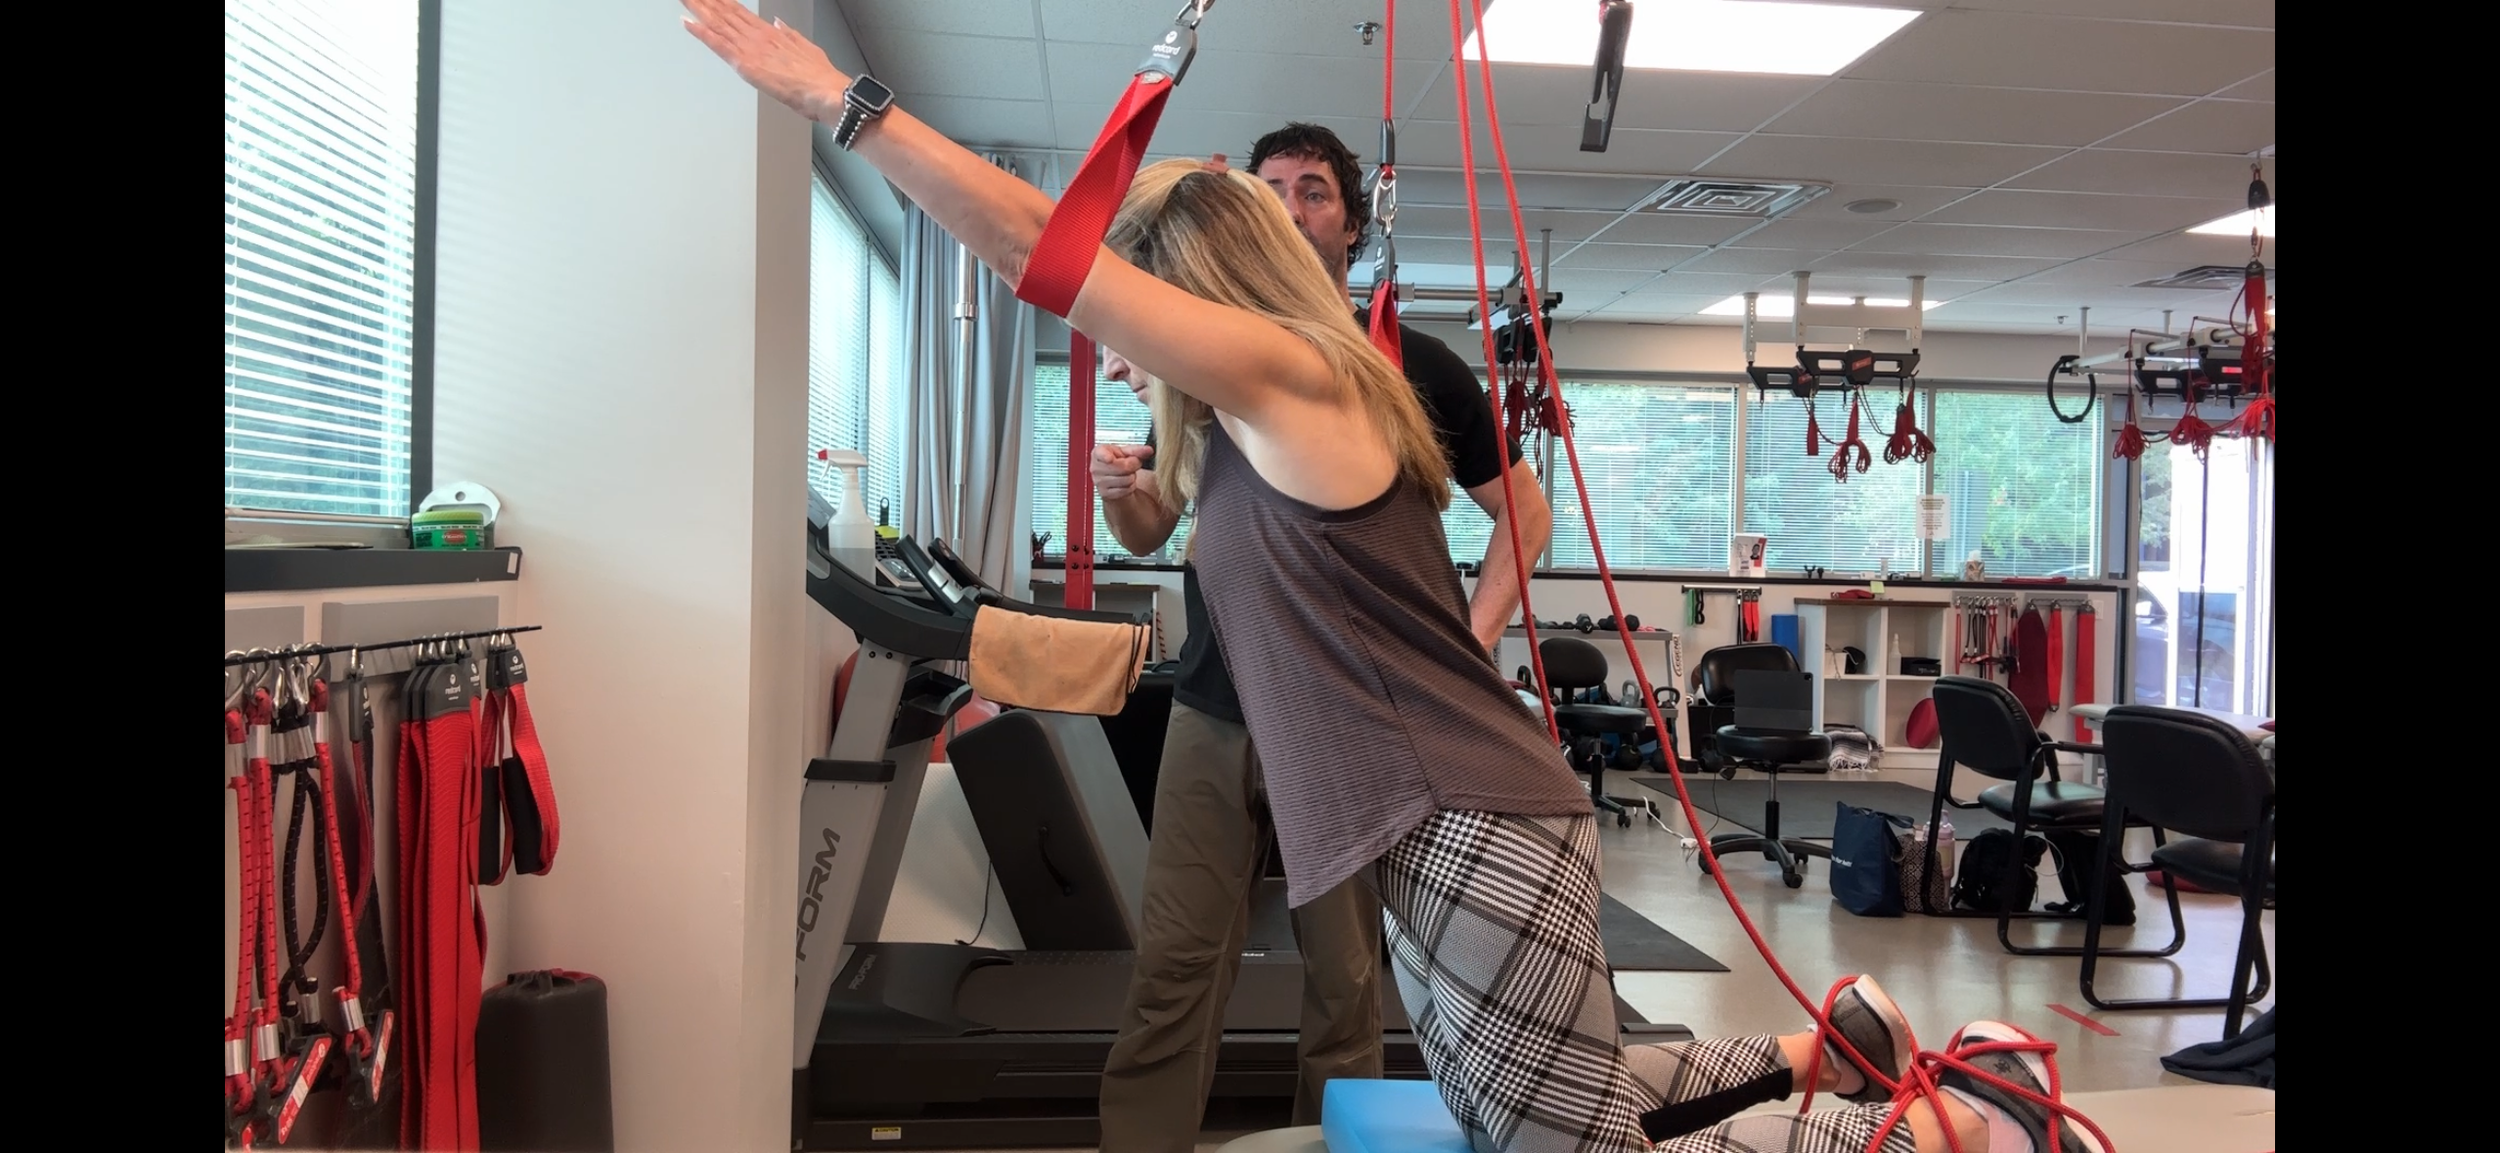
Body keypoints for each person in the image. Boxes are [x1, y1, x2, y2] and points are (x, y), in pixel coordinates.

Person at [679, 6, 2103, 1152]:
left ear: (1206, 287)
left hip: (1465, 818)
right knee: (1555, 1109)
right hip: (1426, 821)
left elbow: (1036, 254)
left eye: (1150, 294)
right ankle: (1834, 1050)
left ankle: (1956, 1128)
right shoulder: (1249, 423)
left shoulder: (1301, 375)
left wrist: (836, 100)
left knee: (1570, 1147)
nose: (1136, 329)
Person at [1086, 121, 1553, 1149]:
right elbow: (1155, 526)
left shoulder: (1408, 364)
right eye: (1271, 194)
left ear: (1353, 224)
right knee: (1172, 965)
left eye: (1314, 193)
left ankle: (1334, 1138)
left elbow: (1524, 510)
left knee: (1344, 983)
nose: (1291, 212)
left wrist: (1472, 639)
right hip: (1215, 705)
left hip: (1346, 721)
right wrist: (1118, 491)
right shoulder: (1191, 363)